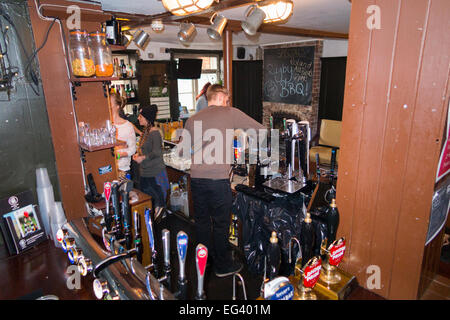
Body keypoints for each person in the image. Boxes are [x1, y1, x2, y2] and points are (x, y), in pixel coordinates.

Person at [181, 84, 265, 277]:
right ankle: (222, 266)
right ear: (219, 97)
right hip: (218, 180)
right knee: (220, 224)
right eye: (226, 99)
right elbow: (259, 129)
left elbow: (184, 151)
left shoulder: (193, 119)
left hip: (196, 179)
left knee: (202, 222)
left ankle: (204, 262)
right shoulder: (230, 113)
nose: (227, 103)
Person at [132, 104, 169, 220]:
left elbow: (157, 152)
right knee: (147, 196)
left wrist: (142, 158)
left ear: (147, 118)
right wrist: (138, 154)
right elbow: (145, 149)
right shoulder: (145, 132)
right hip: (145, 171)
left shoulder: (154, 133)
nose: (138, 118)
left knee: (159, 199)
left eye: (141, 116)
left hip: (154, 171)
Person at [111, 92, 137, 180]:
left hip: (123, 170)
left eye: (110, 103)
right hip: (108, 170)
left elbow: (132, 149)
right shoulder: (105, 125)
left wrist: (118, 155)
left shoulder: (127, 125)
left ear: (117, 106)